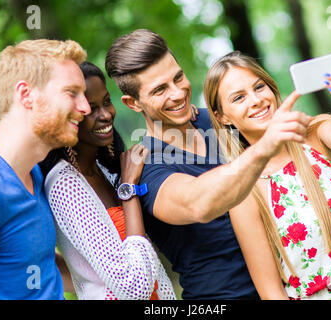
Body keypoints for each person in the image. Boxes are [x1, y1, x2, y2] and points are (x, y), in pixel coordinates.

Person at [105, 29, 311, 299]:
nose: (178, 93)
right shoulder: (146, 167)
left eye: (178, 77)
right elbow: (199, 203)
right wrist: (262, 149)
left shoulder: (221, 119)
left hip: (294, 287)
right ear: (133, 103)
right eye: (160, 90)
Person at [203, 51, 331, 300]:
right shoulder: (245, 192)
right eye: (239, 98)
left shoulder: (312, 135)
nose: (256, 100)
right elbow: (271, 293)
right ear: (222, 116)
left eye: (259, 87)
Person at [0, 39, 90, 299]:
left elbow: (29, 266)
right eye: (71, 93)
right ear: (25, 95)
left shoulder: (35, 176)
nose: (85, 107)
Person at [40, 61, 176, 300]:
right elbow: (135, 288)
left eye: (106, 101)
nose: (105, 114)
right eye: (91, 108)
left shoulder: (106, 169)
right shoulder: (65, 185)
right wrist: (129, 188)